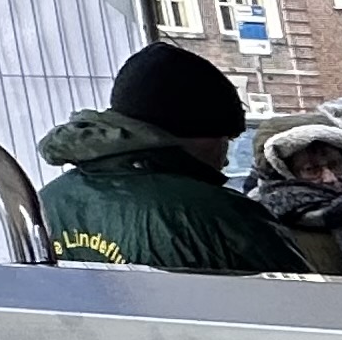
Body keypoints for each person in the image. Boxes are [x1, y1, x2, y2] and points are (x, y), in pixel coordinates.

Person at [35, 44, 303, 273]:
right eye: (225, 141)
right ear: (194, 137)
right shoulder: (220, 215)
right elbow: (302, 302)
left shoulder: (45, 202)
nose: (225, 162)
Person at [245, 120, 342, 274]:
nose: (330, 178)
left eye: (335, 165)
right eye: (311, 170)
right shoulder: (264, 229)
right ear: (283, 176)